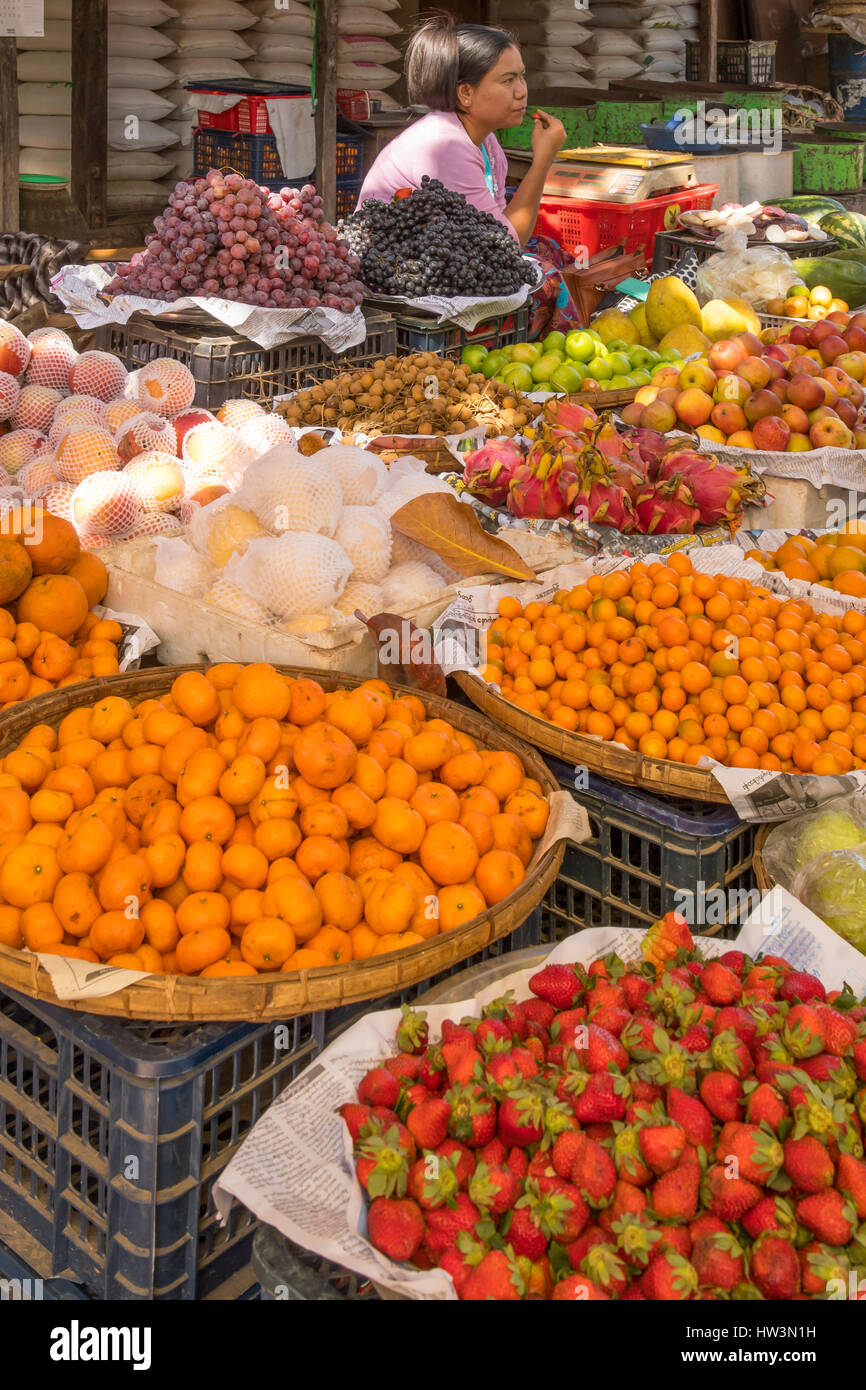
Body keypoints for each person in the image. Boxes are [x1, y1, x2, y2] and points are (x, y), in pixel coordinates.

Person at [357, 16, 566, 248]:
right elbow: (505, 245)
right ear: (465, 93)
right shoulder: (445, 147)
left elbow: (497, 228)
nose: (521, 92)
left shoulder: (486, 141)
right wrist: (542, 162)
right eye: (508, 80)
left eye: (522, 76)